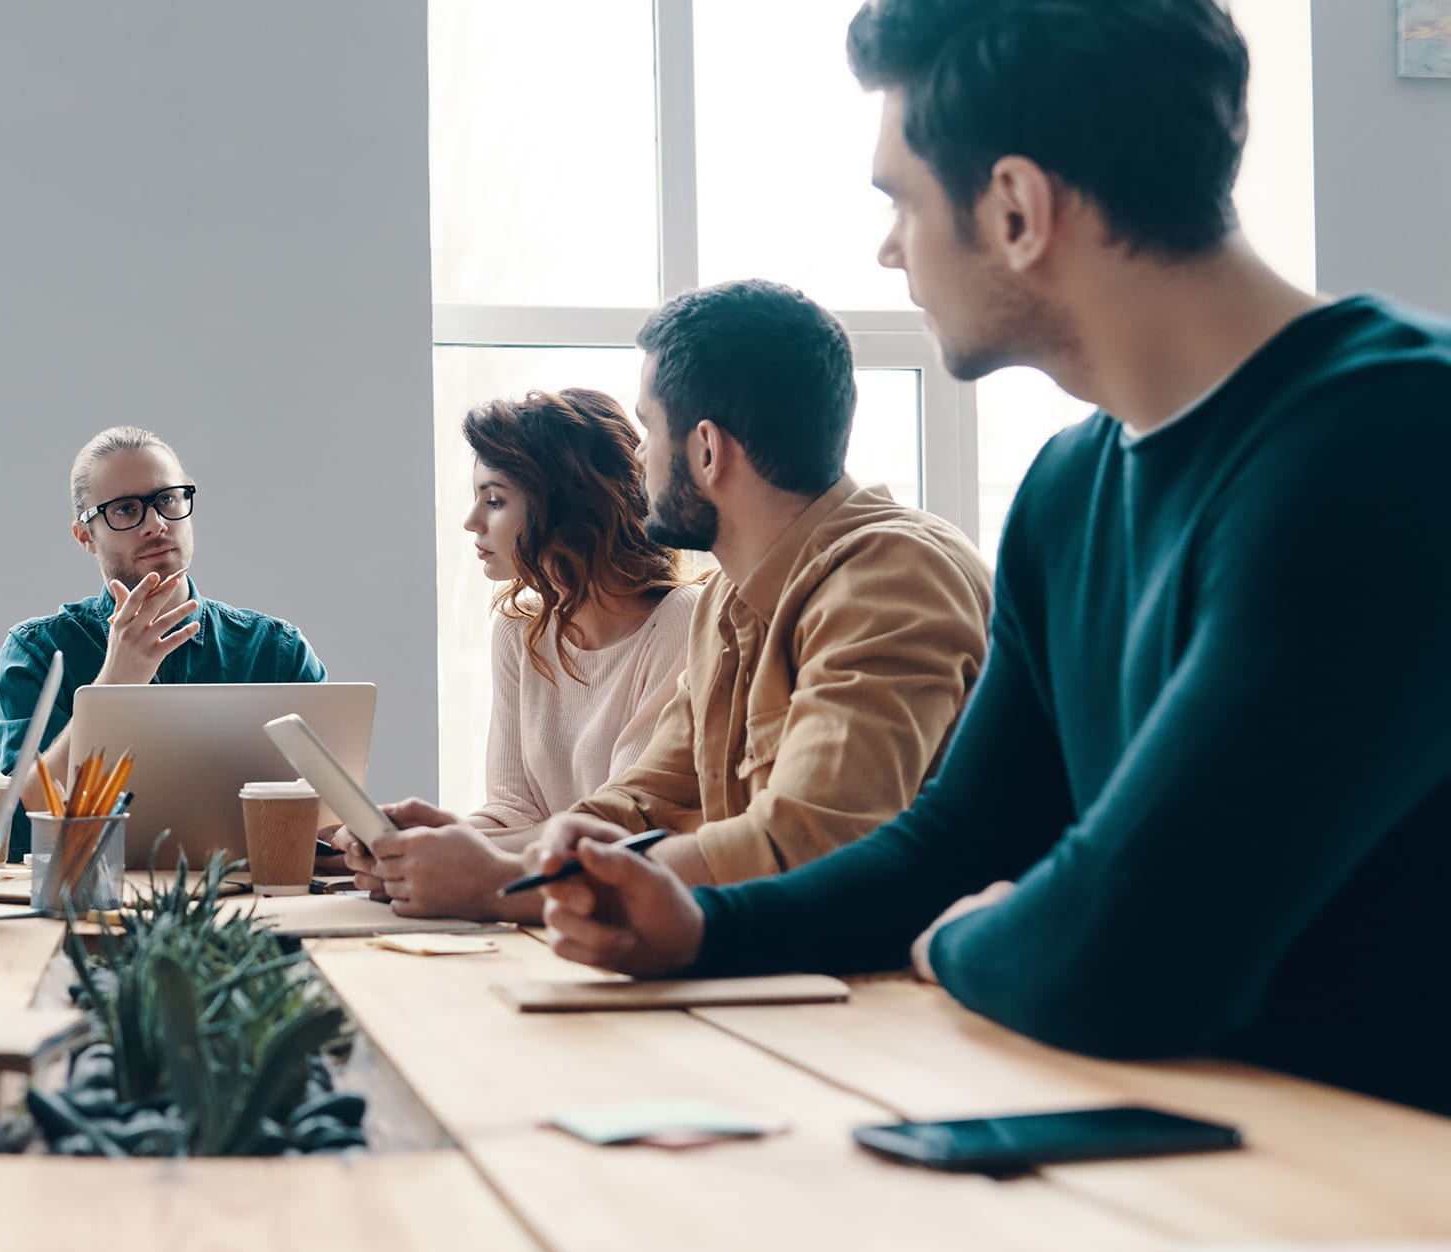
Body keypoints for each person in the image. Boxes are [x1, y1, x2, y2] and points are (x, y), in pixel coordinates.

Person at [533, 0, 1451, 1117]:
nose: (885, 247)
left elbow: (1125, 954)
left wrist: (974, 934)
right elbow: (958, 841)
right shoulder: (1069, 485)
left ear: (1015, 209)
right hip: (1212, 1158)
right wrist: (705, 927)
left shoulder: (1390, 445)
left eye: (900, 200)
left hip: (1393, 1213)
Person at [545, 279, 990, 890]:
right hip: (792, 965)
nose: (641, 455)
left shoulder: (894, 578)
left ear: (707, 450)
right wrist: (504, 856)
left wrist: (533, 883)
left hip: (900, 975)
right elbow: (647, 801)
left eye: (649, 428)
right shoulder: (726, 598)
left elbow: (812, 845)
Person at [340, 388, 699, 921]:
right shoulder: (519, 628)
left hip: (618, 911)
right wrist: (429, 841)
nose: (471, 522)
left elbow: (627, 827)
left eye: (495, 499)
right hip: (543, 909)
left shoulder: (681, 620)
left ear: (568, 506)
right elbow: (514, 808)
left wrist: (467, 857)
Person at [0, 426, 328, 782]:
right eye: (124, 509)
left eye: (167, 499)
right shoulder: (38, 653)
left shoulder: (276, 650)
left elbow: (330, 812)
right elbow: (18, 821)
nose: (155, 524)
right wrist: (114, 684)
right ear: (86, 536)